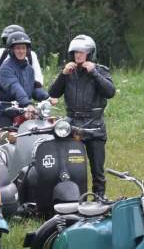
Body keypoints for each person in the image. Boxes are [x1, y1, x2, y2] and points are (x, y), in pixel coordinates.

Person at [48, 35, 116, 198]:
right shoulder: (68, 72)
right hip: (73, 126)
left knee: (97, 169)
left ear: (90, 53)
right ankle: (73, 196)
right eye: (75, 52)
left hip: (95, 126)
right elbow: (53, 92)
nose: (78, 55)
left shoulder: (100, 70)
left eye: (82, 52)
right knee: (71, 165)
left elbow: (110, 92)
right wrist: (63, 74)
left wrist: (94, 73)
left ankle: (99, 198)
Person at [0, 31, 50, 128]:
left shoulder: (29, 69)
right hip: (6, 111)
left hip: (25, 111)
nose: (21, 51)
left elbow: (32, 89)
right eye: (17, 48)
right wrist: (27, 104)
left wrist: (47, 97)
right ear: (12, 50)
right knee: (6, 138)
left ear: (27, 50)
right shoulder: (6, 68)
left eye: (23, 48)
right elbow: (15, 87)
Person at [0, 24, 44, 91]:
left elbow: (38, 77)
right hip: (0, 91)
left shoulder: (31, 55)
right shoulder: (1, 53)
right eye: (7, 40)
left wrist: (37, 91)